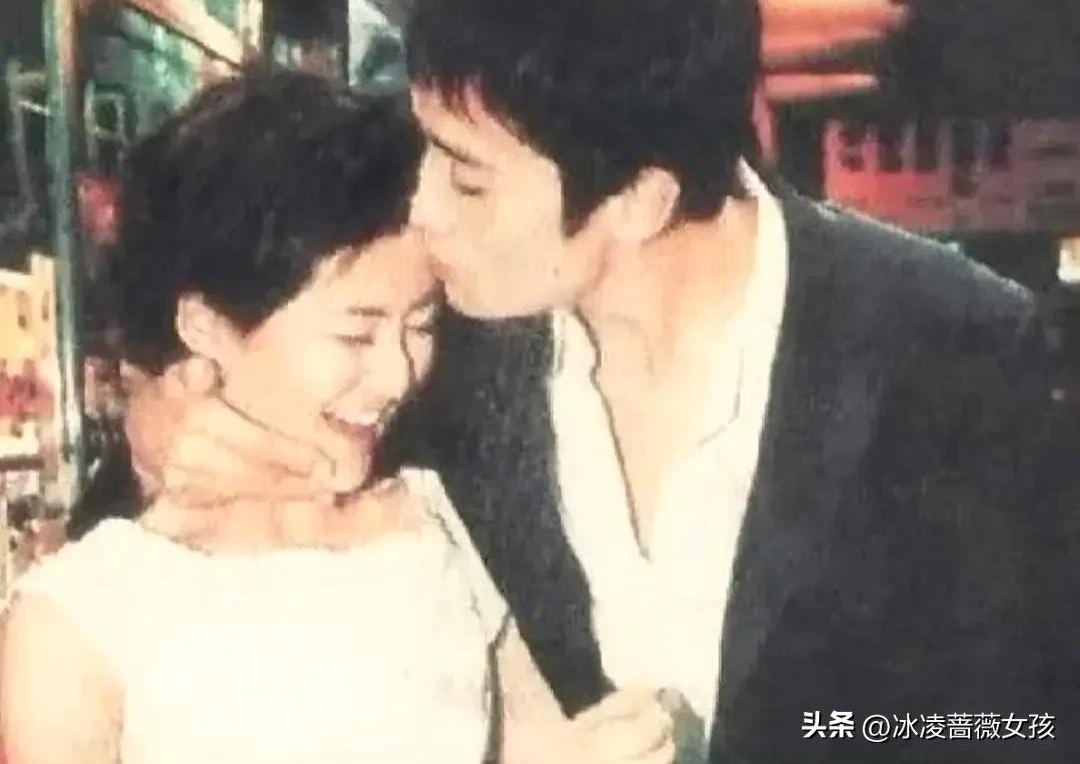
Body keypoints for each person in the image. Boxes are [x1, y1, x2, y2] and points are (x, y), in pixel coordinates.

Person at [122, 0, 1080, 762]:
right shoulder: (433, 339)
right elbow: (167, 469)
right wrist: (168, 419)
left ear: (638, 202)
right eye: (430, 153)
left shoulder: (954, 347)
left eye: (468, 180)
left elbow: (1026, 722)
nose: (422, 210)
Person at [0, 70, 679, 764]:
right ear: (206, 325)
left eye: (421, 324)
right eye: (355, 334)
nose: (397, 374)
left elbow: (535, 739)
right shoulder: (81, 616)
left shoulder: (440, 517)